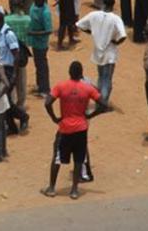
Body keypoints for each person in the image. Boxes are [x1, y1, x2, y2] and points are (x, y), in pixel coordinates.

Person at [42, 61, 106, 200]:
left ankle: (52, 188)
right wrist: (90, 115)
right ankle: (75, 190)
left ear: (69, 73)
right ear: (81, 73)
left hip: (65, 128)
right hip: (81, 129)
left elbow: (47, 103)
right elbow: (104, 104)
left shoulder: (61, 86)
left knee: (57, 158)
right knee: (78, 159)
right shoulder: (87, 88)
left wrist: (54, 118)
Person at [76, 0, 127, 108]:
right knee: (107, 79)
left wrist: (93, 33)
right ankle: (102, 104)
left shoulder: (94, 15)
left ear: (103, 2)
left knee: (100, 77)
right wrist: (116, 42)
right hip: (109, 53)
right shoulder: (115, 18)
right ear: (113, 4)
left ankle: (99, 100)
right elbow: (123, 36)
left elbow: (80, 25)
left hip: (97, 52)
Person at [0, 12, 30, 134]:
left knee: (5, 99)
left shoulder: (8, 34)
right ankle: (12, 126)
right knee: (5, 99)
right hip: (3, 68)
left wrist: (14, 74)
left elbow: (16, 55)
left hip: (9, 69)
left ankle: (23, 117)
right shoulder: (0, 34)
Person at [4, 0, 31, 112]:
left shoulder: (7, 20)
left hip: (10, 54)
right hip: (23, 53)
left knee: (11, 79)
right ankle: (21, 104)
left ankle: (12, 104)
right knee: (22, 80)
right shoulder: (27, 19)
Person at [28, 0, 53, 96]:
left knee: (42, 65)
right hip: (34, 41)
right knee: (38, 64)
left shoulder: (46, 13)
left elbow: (48, 30)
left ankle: (45, 89)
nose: (35, 2)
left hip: (41, 43)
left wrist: (34, 33)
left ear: (42, 2)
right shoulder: (34, 6)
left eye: (37, 1)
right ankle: (39, 86)